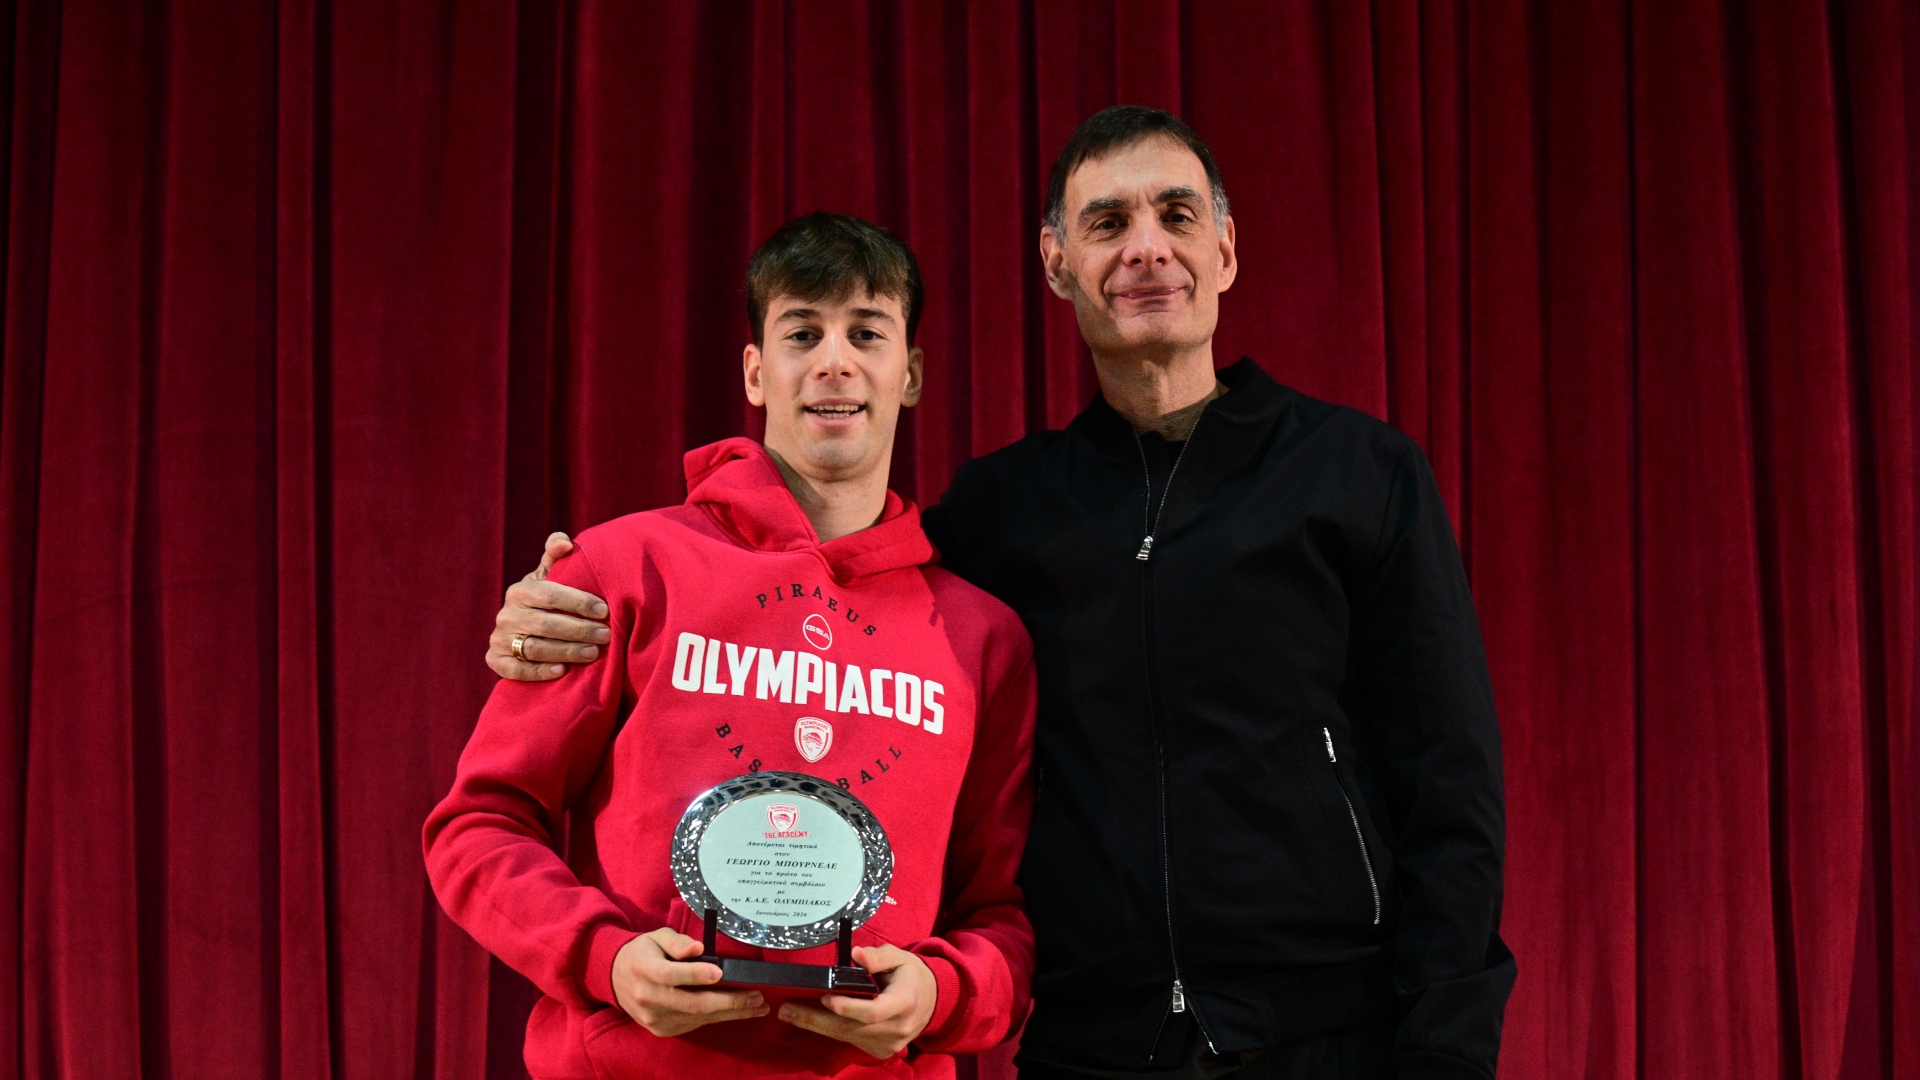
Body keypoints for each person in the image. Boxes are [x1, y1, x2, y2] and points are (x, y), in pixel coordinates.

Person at [491, 108, 1513, 1080]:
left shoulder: (1357, 474)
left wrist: (1446, 1053)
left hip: (1329, 1034)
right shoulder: (1001, 512)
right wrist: (549, 608)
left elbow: (1451, 783)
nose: (1146, 248)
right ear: (1058, 264)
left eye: (1176, 215)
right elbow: (835, 574)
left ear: (1226, 250)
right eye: (1107, 223)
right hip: (1094, 1047)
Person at [427, 212, 1037, 1080]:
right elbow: (477, 826)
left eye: (867, 333)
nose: (834, 361)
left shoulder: (984, 638)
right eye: (802, 333)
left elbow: (1002, 915)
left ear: (910, 373)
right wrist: (605, 959)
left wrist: (944, 994)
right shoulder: (622, 569)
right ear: (755, 371)